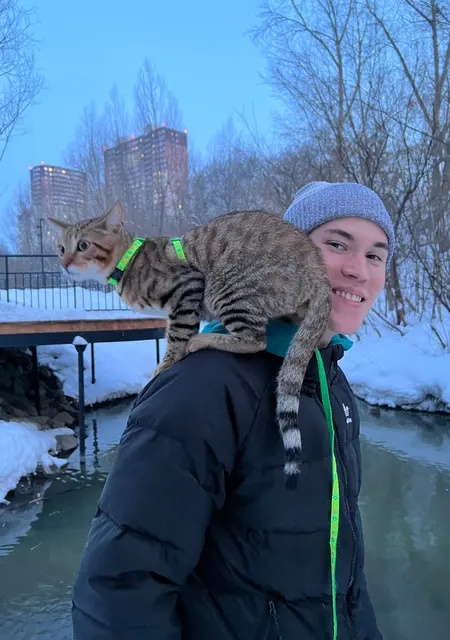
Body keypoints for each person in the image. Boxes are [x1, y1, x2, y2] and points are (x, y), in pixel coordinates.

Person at [72, 181, 395, 639]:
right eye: (337, 245)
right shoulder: (201, 388)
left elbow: (344, 575)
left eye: (375, 255)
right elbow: (120, 593)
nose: (358, 270)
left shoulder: (330, 379)